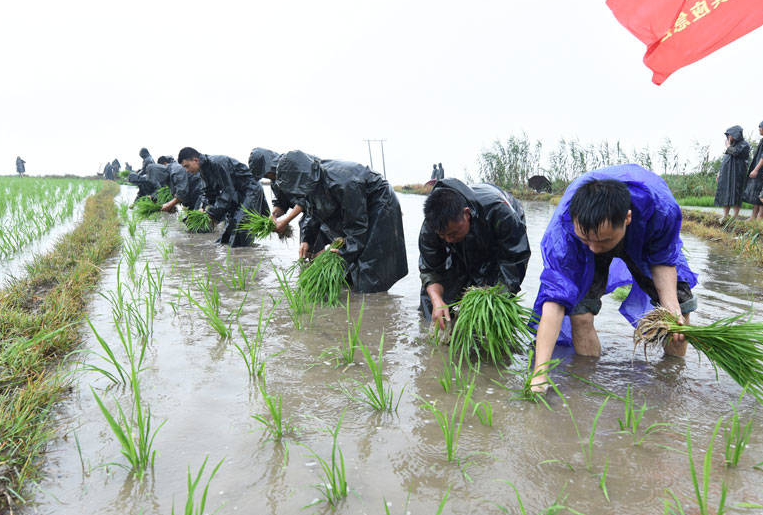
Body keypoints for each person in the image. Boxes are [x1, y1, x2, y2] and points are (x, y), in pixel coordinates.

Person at [530, 164, 698, 393]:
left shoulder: (660, 209)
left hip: (643, 232)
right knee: (579, 312)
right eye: (587, 240)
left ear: (627, 218)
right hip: (584, 242)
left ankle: (671, 381)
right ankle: (587, 380)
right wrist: (540, 375)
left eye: (603, 242)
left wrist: (672, 309)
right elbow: (555, 299)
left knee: (680, 310)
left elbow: (663, 260)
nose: (595, 249)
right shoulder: (566, 232)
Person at [274, 150, 408, 293]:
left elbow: (357, 228)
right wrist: (307, 240)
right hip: (356, 210)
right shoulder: (310, 186)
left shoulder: (344, 182)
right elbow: (313, 214)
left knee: (369, 271)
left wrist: (342, 252)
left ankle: (375, 302)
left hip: (380, 205)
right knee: (349, 275)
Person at [418, 179, 531, 342]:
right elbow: (430, 269)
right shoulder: (431, 226)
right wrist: (437, 301)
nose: (448, 240)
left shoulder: (500, 212)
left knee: (491, 296)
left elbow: (514, 259)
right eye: (443, 236)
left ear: (466, 213)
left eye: (453, 233)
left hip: (496, 231)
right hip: (464, 238)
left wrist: (494, 295)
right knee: (440, 300)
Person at [178, 147, 268, 247]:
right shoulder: (203, 170)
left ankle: (247, 258)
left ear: (195, 160)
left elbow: (228, 191)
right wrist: (204, 209)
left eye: (187, 166)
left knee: (240, 228)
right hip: (236, 194)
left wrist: (212, 213)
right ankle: (241, 255)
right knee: (226, 236)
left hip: (250, 190)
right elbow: (209, 193)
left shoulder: (217, 162)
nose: (186, 170)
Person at [713, 125, 750, 220]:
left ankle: (735, 216)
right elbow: (725, 160)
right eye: (728, 135)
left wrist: (728, 146)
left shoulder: (744, 144)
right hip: (726, 174)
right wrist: (720, 172)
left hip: (737, 174)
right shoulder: (731, 146)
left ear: (736, 135)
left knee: (737, 193)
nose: (729, 137)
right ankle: (725, 215)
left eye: (730, 135)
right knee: (726, 193)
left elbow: (736, 152)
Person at [743, 119, 763, 221]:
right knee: (756, 195)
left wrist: (756, 169)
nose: (759, 129)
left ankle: (759, 218)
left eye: (760, 127)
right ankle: (753, 217)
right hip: (760, 171)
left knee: (762, 195)